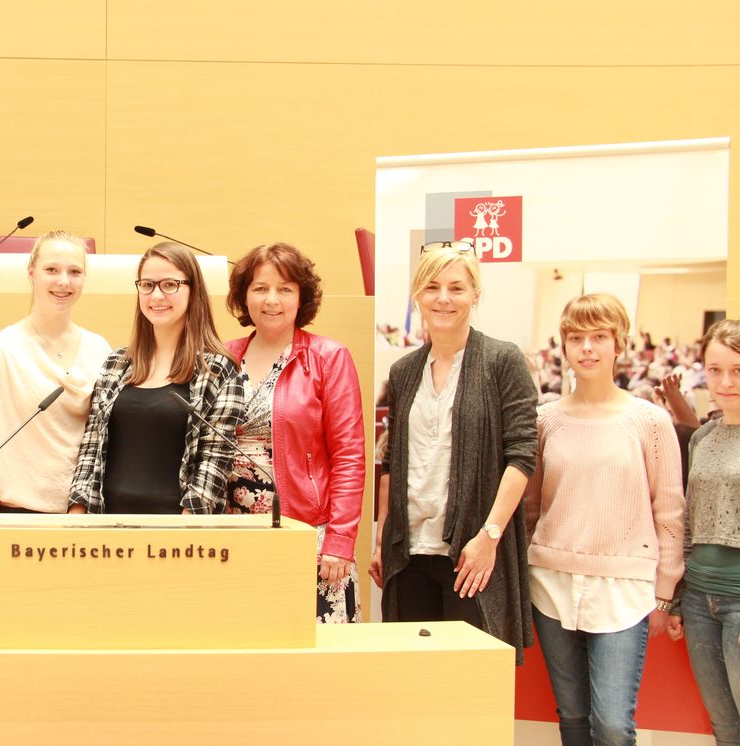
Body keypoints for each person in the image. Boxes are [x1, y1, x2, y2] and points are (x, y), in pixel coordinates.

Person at [526, 293, 684, 746]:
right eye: (576, 338)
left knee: (614, 725)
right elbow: (531, 506)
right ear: (564, 346)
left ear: (619, 344)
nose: (587, 348)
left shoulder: (649, 421)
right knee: (572, 716)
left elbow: (669, 510)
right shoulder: (546, 418)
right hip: (551, 583)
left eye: (599, 337)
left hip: (625, 587)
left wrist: (665, 590)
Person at [370, 241, 537, 660]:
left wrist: (489, 536)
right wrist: (382, 537)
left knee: (474, 677)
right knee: (413, 677)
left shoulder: (502, 361)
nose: (443, 298)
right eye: (432, 287)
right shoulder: (404, 371)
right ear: (418, 295)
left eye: (456, 288)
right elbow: (392, 462)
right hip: (409, 555)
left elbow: (522, 456)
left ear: (475, 295)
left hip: (471, 552)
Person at [222, 242, 365, 623]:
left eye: (284, 289)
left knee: (318, 650)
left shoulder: (328, 357)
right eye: (260, 288)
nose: (272, 300)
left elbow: (349, 457)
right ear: (244, 296)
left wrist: (340, 540)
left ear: (301, 297)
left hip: (308, 535)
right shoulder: (221, 356)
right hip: (232, 535)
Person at [69, 241, 243, 514]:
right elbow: (91, 447)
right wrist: (77, 514)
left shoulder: (218, 369)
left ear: (193, 291)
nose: (156, 296)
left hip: (179, 528)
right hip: (107, 524)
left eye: (170, 284)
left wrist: (186, 526)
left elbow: (215, 458)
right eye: (147, 285)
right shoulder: (116, 364)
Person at [0, 230, 111, 513]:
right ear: (31, 272)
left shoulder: (100, 350)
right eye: (51, 269)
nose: (63, 281)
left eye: (75, 271)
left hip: (83, 517)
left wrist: (80, 516)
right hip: (11, 518)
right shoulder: (0, 351)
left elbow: (103, 444)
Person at [669, 319, 740, 746]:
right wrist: (679, 598)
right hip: (700, 602)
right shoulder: (702, 438)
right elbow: (691, 522)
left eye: (737, 370)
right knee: (726, 728)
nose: (725, 382)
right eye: (715, 370)